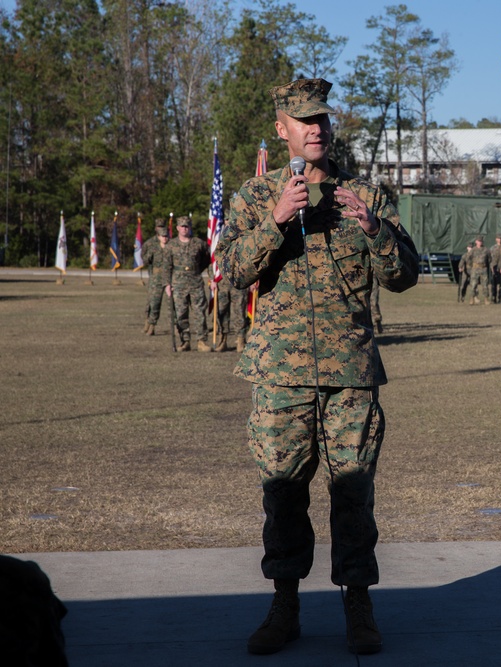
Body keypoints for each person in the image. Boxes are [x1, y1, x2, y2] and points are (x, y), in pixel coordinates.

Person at [216, 77, 419, 657]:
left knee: (353, 493)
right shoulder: (255, 198)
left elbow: (402, 277)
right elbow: (232, 271)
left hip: (350, 373)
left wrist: (374, 229)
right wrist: (276, 219)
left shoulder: (366, 195)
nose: (316, 129)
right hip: (280, 374)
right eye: (304, 121)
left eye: (323, 120)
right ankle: (285, 604)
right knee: (283, 492)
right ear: (282, 129)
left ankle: (358, 605)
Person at [164, 215, 211, 351]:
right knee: (181, 313)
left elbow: (206, 261)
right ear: (177, 228)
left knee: (199, 312)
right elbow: (167, 266)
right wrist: (167, 284)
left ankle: (201, 341)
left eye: (187, 226)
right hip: (178, 283)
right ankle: (185, 341)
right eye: (182, 226)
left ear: (190, 227)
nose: (185, 229)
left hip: (195, 282)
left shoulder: (198, 243)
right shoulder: (171, 245)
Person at [141, 221, 170, 335]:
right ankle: (151, 324)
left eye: (166, 235)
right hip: (156, 278)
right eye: (162, 235)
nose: (165, 238)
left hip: (169, 278)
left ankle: (176, 326)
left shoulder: (172, 246)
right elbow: (145, 260)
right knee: (154, 302)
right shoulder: (152, 246)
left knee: (172, 304)